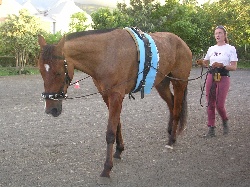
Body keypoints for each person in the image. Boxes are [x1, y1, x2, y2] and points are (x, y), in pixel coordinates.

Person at [197, 25, 238, 137]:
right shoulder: (211, 48)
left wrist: (222, 65)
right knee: (210, 102)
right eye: (216, 33)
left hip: (224, 76)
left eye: (220, 33)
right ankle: (211, 128)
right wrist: (202, 62)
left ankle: (225, 120)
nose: (218, 35)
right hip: (212, 75)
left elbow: (234, 67)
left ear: (224, 35)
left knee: (219, 105)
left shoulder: (230, 49)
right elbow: (206, 62)